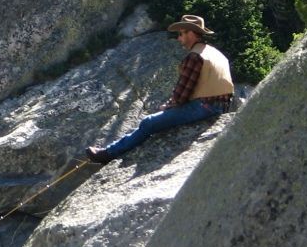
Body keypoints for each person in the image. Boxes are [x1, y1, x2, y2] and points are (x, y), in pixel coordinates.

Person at [85, 15, 235, 163]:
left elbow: (182, 95)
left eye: (181, 34)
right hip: (219, 106)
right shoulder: (214, 53)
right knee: (157, 119)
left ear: (191, 33)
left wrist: (169, 105)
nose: (179, 38)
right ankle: (110, 151)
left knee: (149, 122)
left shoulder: (195, 57)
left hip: (204, 107)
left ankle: (108, 153)